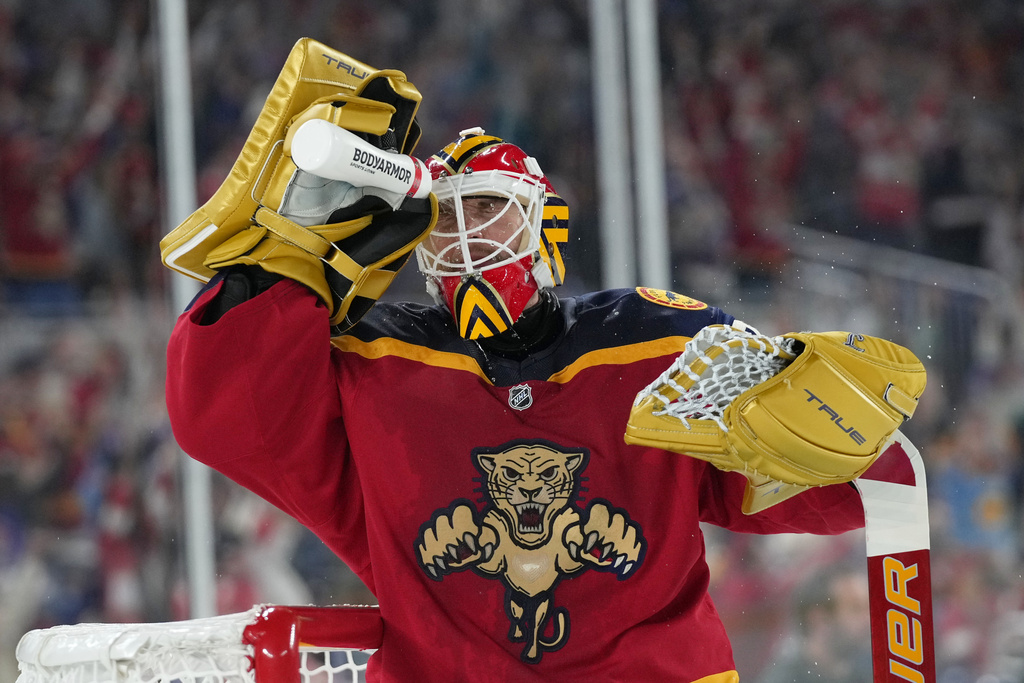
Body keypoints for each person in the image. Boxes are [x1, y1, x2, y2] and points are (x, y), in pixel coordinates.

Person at [164, 122, 867, 682]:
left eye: (488, 207)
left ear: (542, 225)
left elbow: (800, 481)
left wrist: (848, 435)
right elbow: (222, 416)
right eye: (444, 216)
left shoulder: (654, 339)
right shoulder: (372, 360)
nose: (464, 234)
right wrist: (290, 258)